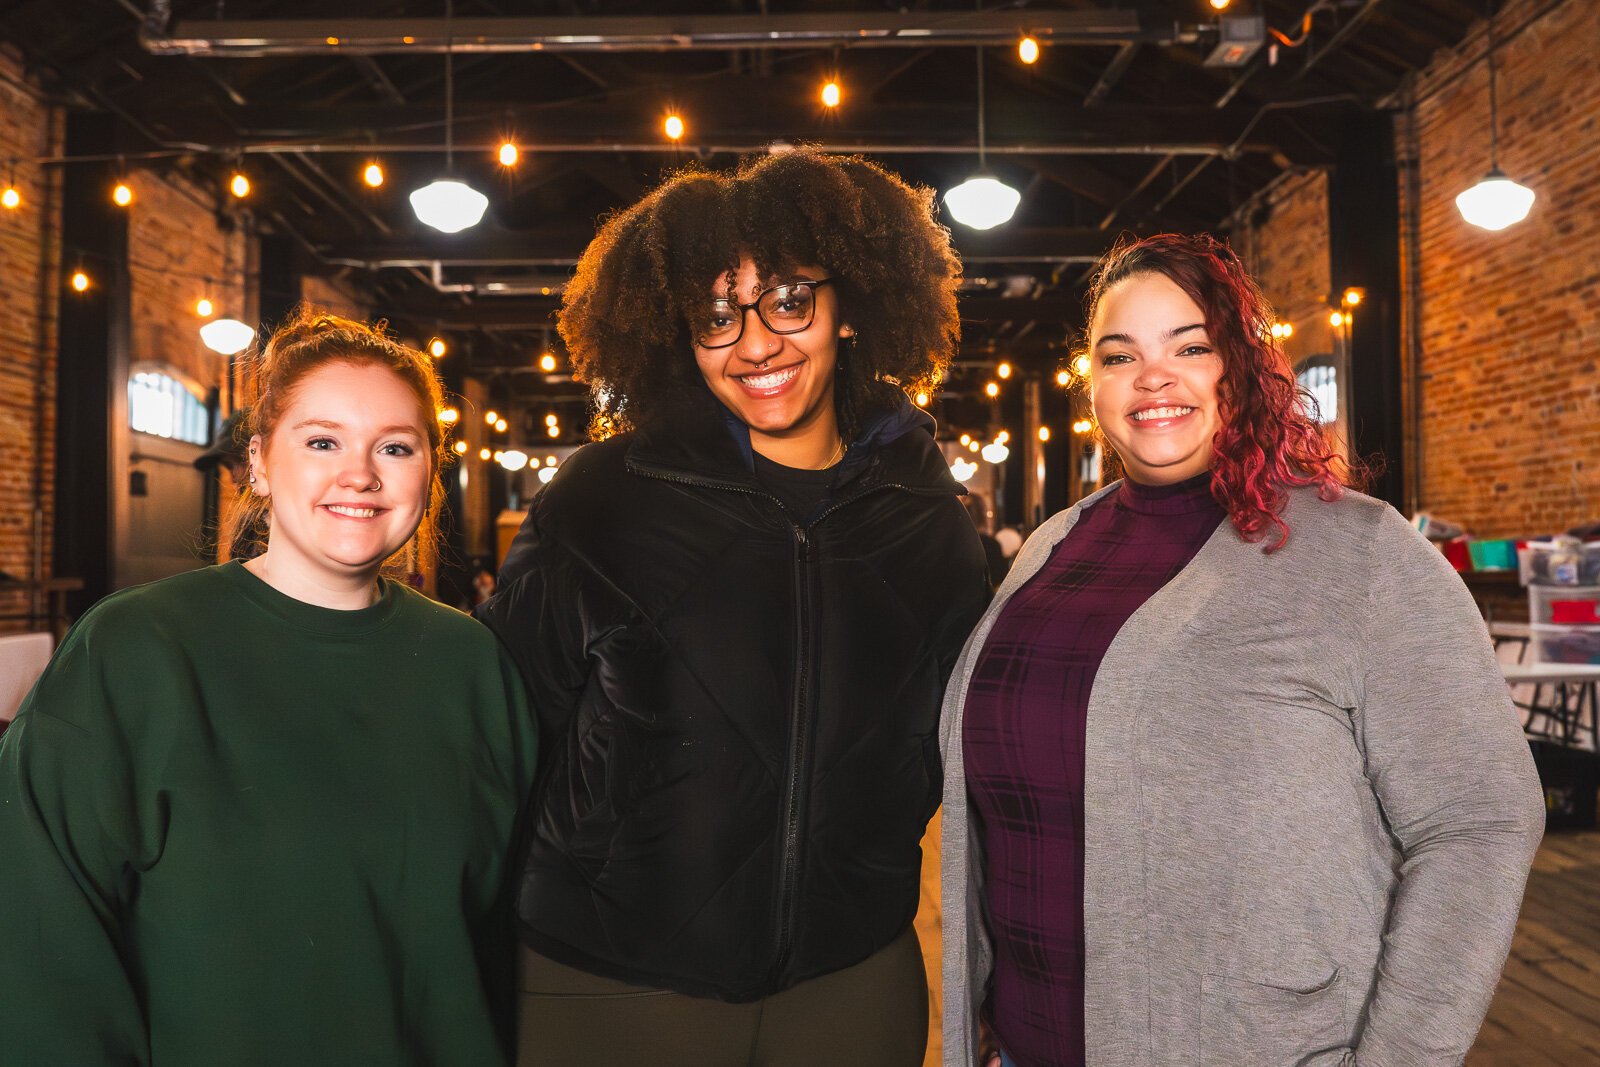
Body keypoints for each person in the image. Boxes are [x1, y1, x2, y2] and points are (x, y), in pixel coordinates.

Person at [939, 234, 1545, 1067]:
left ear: (1243, 365)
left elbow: (1479, 820)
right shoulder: (1053, 546)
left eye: (1191, 346)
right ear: (1095, 385)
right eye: (1121, 356)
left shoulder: (1359, 554)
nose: (1155, 376)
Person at [476, 149, 990, 1066]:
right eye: (718, 314)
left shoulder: (926, 515)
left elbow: (952, 739)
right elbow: (505, 731)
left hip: (850, 975)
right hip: (611, 976)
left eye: (790, 300)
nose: (756, 343)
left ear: (850, 309)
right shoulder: (601, 497)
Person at [0, 307, 538, 1065]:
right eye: (322, 441)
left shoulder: (473, 664)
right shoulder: (136, 650)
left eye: (394, 445)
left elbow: (504, 939)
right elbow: (41, 938)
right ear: (257, 461)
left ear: (428, 468)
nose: (360, 473)